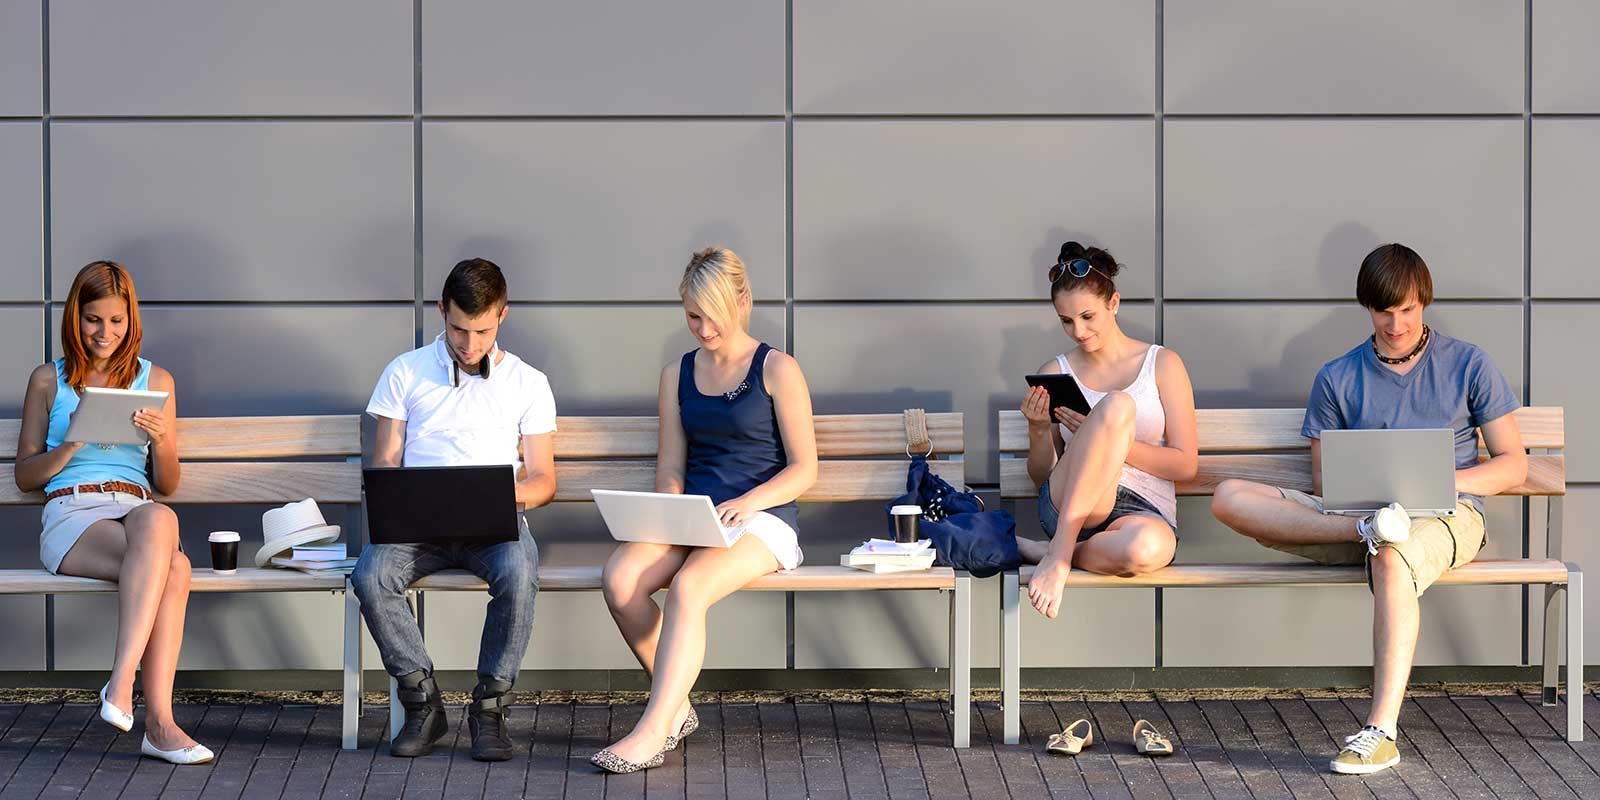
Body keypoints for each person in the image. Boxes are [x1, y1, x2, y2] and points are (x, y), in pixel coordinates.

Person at [1211, 243, 1526, 775]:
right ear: (1367, 309)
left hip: (1449, 516)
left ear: (1423, 302)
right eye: (1385, 312)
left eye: (1407, 310)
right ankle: (1371, 528)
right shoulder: (1338, 377)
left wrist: (1442, 481)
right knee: (1228, 496)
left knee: (1392, 550)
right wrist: (1366, 511)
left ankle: (1381, 731)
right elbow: (1321, 480)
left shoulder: (1468, 363)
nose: (1397, 323)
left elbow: (1513, 465)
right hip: (1353, 518)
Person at [593, 247, 817, 773]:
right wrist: (671, 511)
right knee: (621, 577)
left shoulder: (777, 369)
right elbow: (671, 466)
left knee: (690, 587)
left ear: (742, 301)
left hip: (763, 519)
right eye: (693, 315)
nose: (703, 327)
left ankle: (653, 728)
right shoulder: (677, 373)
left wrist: (747, 502)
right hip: (698, 517)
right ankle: (676, 707)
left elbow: (805, 469)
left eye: (712, 314)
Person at [351, 258, 557, 761]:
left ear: (503, 315)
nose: (469, 344)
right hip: (417, 530)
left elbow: (545, 481)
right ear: (442, 312)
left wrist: (499, 498)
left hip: (496, 527)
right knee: (370, 576)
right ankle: (423, 703)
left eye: (482, 331)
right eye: (459, 329)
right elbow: (385, 462)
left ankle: (490, 708)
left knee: (520, 570)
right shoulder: (405, 371)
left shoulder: (528, 382)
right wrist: (403, 495)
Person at [15, 261, 210, 765]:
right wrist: (71, 442)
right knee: (178, 565)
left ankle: (124, 686)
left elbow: (166, 485)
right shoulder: (47, 380)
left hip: (135, 509)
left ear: (132, 321)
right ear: (74, 320)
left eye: (117, 321)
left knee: (160, 521)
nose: (105, 333)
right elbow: (25, 475)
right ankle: (155, 720)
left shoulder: (155, 378)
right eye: (93, 319)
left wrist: (163, 440)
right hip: (73, 513)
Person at [1019, 242, 1198, 622]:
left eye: (1088, 316)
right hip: (1075, 508)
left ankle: (1051, 553)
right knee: (1117, 405)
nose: (1078, 331)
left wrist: (1108, 439)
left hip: (1144, 511)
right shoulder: (1057, 372)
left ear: (1113, 303)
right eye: (1066, 321)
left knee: (1146, 552)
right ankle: (1063, 548)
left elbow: (1185, 466)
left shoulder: (1162, 364)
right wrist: (1038, 430)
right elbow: (1041, 477)